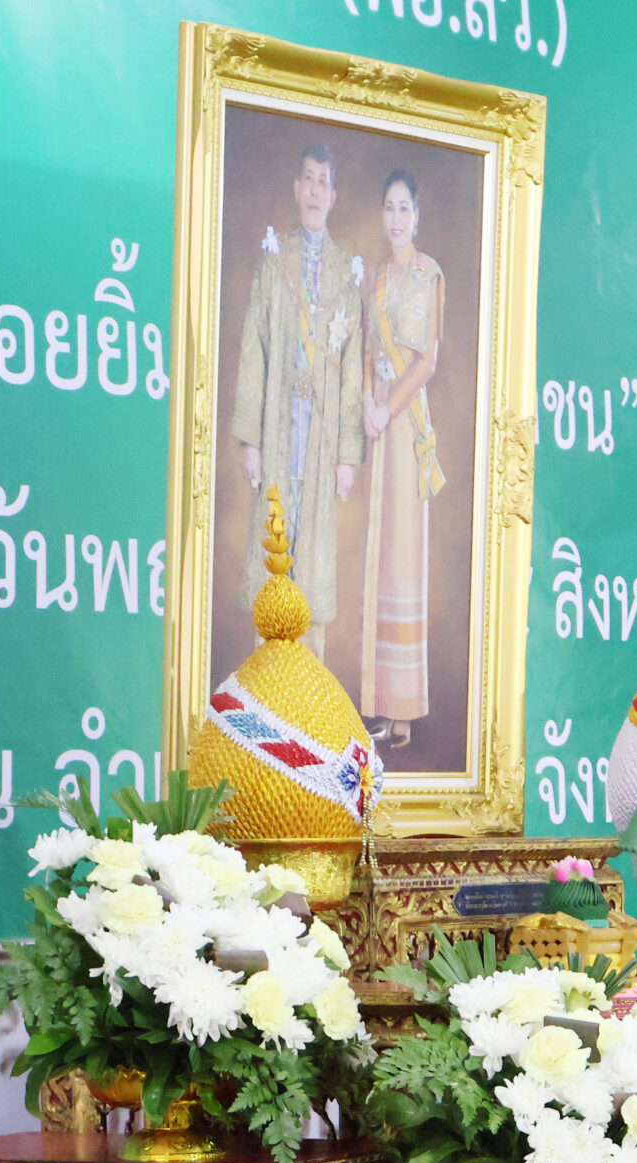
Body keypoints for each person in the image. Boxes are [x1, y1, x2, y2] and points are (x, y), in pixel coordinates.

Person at [231, 138, 365, 665]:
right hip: (278, 431)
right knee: (274, 550)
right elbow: (254, 347)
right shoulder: (274, 261)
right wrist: (250, 440)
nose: (313, 190)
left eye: (322, 182)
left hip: (322, 440)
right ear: (295, 188)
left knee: (311, 559)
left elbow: (352, 369)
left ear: (333, 196)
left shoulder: (346, 274)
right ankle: (267, 682)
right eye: (307, 178)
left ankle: (306, 683)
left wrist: (348, 455)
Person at [359, 166, 446, 751]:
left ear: (417, 215)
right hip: (380, 422)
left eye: (404, 208)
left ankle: (406, 710)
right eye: (388, 207)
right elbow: (371, 351)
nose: (396, 218)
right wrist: (369, 402)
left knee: (406, 559)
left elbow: (428, 360)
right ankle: (381, 702)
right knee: (380, 557)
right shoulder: (377, 279)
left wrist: (388, 408)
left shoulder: (428, 275)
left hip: (407, 422)